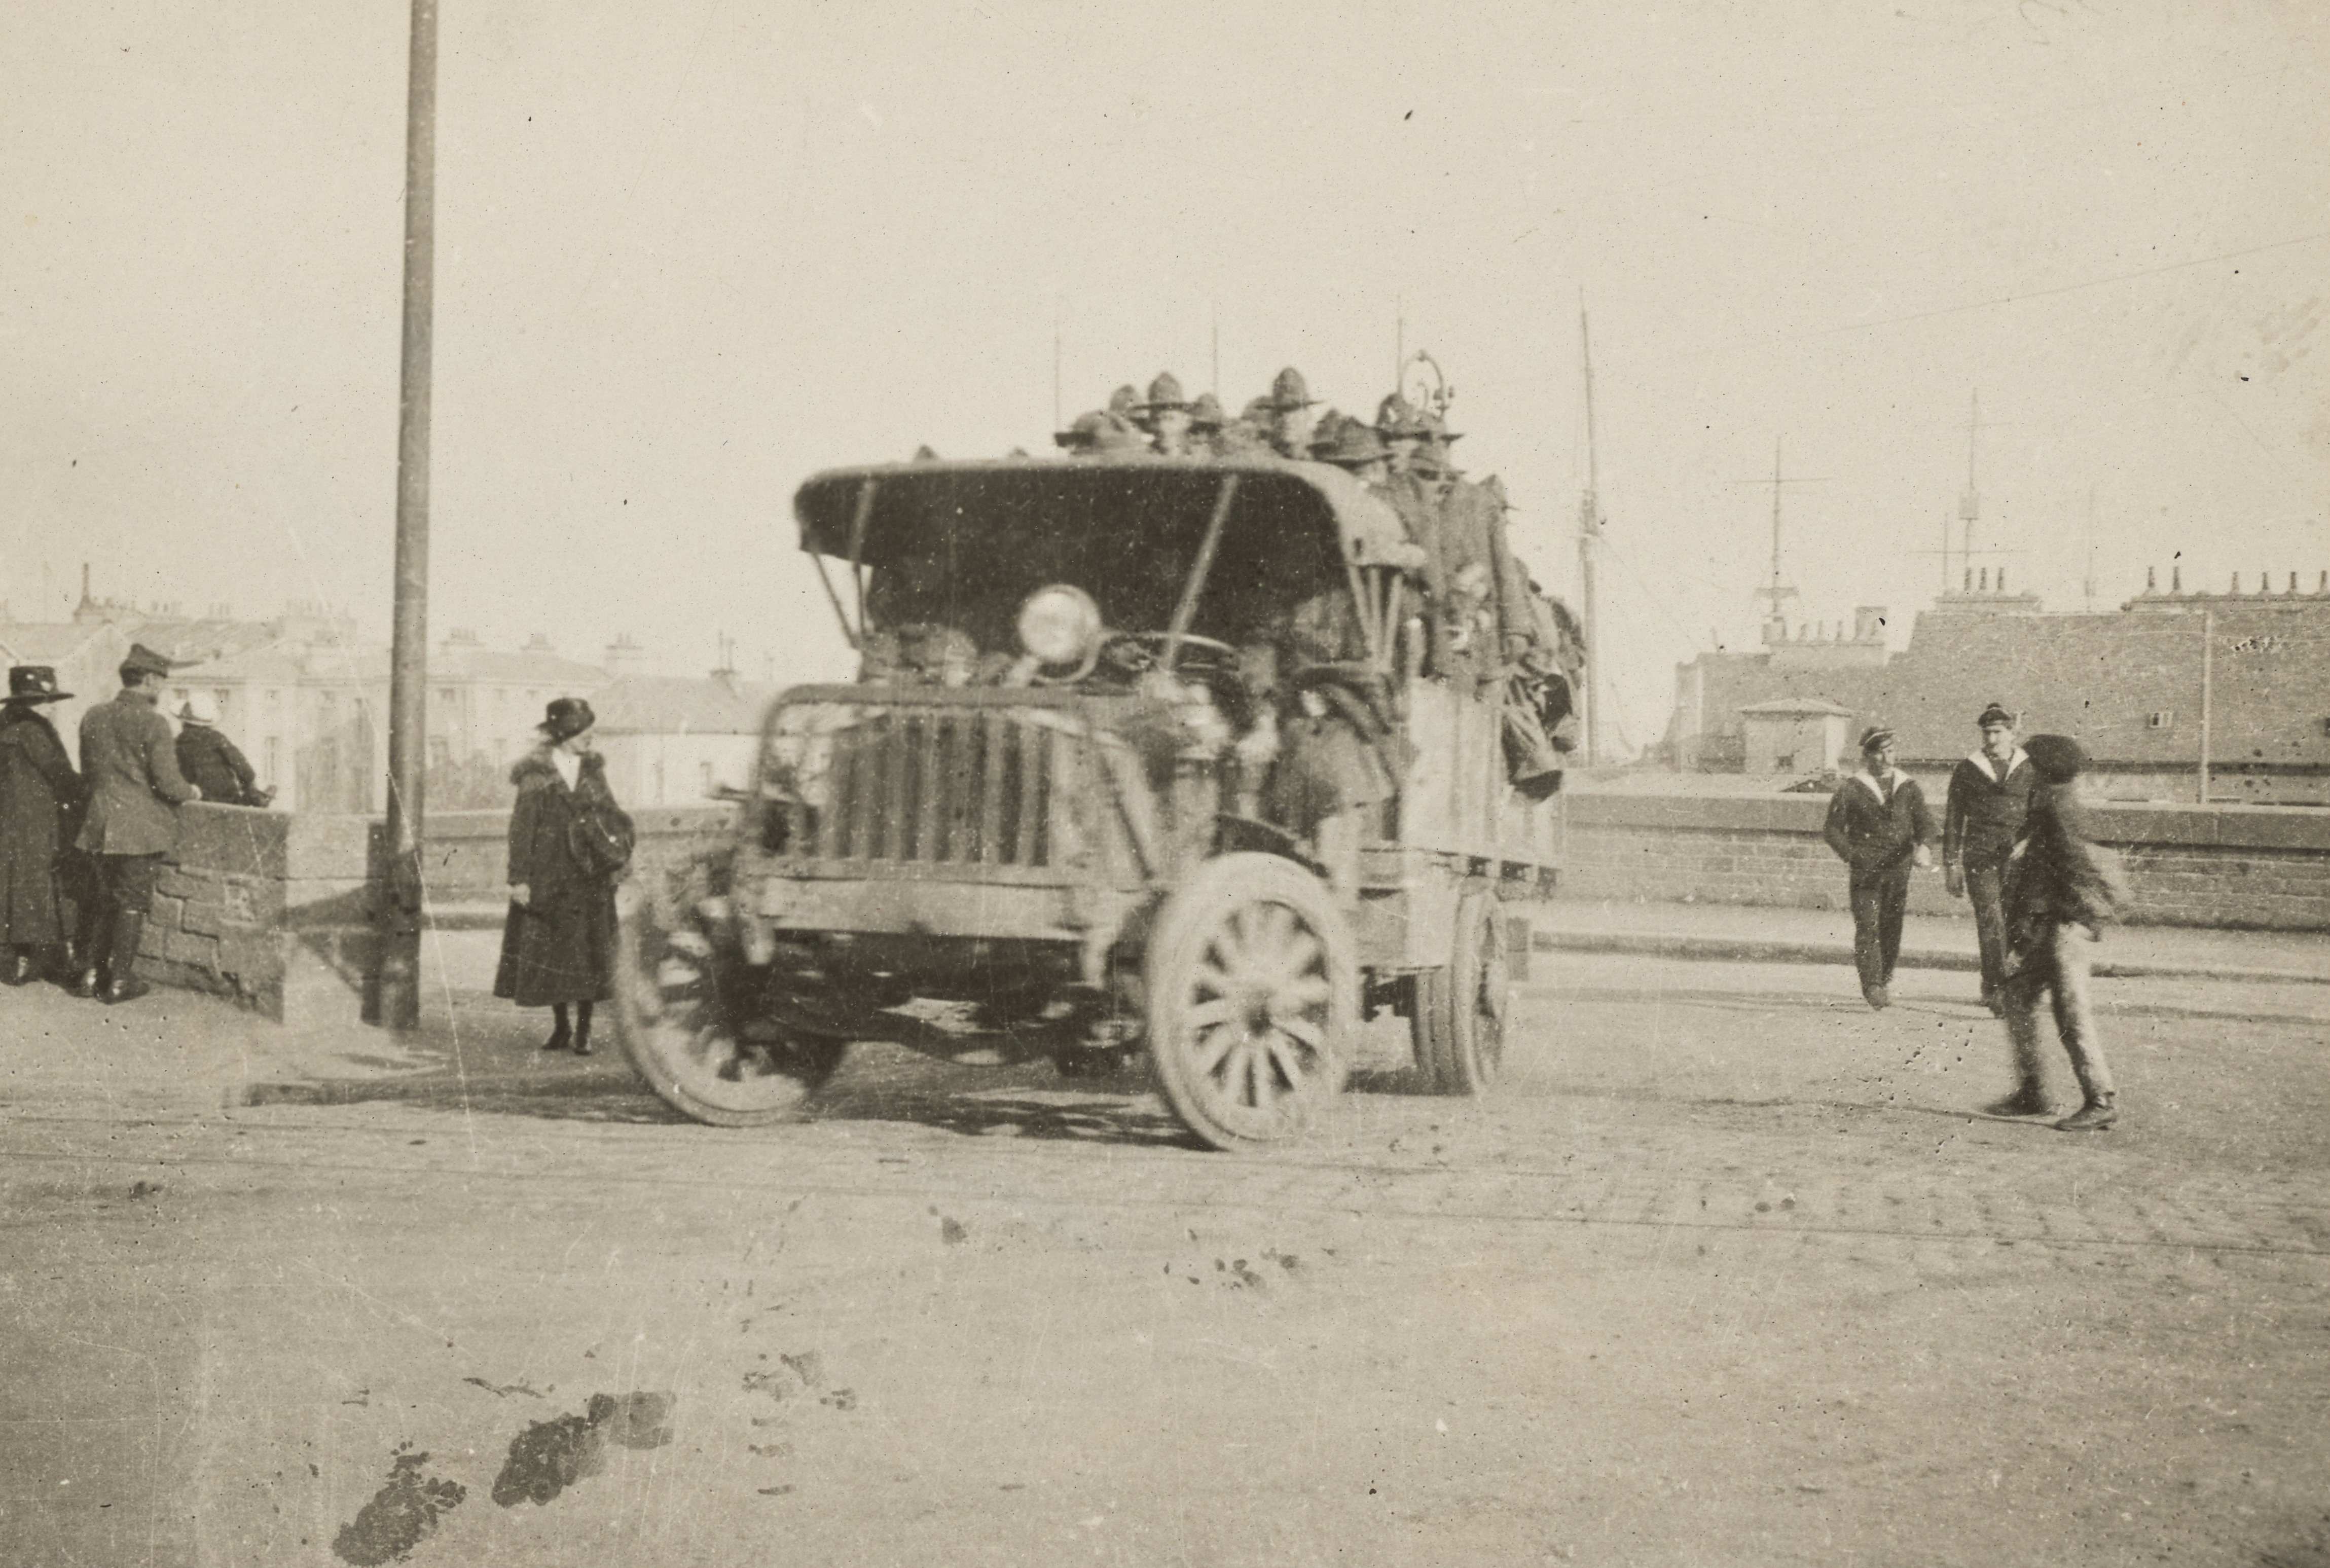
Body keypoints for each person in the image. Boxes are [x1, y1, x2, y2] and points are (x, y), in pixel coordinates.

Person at [1994, 734, 2125, 1130]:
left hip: (2066, 925)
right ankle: (2032, 1091)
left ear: (2042, 769)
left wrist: (2079, 920)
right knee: (2018, 996)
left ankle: (2100, 1099)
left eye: (2028, 764)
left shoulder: (2056, 808)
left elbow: (2075, 869)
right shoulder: (2052, 804)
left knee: (2071, 1011)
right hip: (2051, 924)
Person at [494, 697, 631, 1055]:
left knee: (587, 953)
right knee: (555, 955)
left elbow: (613, 815)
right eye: (584, 729)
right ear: (566, 731)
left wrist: (617, 858)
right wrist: (519, 879)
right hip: (549, 877)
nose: (590, 735)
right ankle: (561, 1027)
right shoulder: (536, 773)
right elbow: (522, 828)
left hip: (589, 876)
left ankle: (584, 1029)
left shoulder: (593, 769)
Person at [74, 643, 202, 1003]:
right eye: (161, 681)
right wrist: (193, 791)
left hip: (98, 824)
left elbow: (88, 772)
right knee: (131, 902)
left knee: (103, 900)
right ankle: (119, 981)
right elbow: (168, 784)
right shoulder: (154, 722)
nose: (162, 689)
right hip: (139, 830)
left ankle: (90, 975)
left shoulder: (94, 715)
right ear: (149, 680)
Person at [1822, 726, 1935, 1009]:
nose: (1886, 759)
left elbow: (1926, 824)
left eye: (1891, 752)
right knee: (1867, 925)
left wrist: (1924, 846)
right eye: (1880, 754)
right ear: (1867, 757)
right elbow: (1832, 830)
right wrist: (1853, 855)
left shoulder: (1908, 787)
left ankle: (1883, 978)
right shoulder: (1851, 789)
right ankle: (1872, 985)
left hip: (1899, 869)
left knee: (1891, 927)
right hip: (1866, 870)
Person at [1943, 702, 2032, 1013]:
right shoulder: (1968, 769)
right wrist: (1951, 864)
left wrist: (2029, 841)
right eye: (1986, 733)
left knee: (2016, 922)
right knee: (1991, 920)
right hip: (1980, 856)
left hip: (2018, 858)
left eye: (1997, 733)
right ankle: (1997, 988)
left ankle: (1995, 980)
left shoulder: (2029, 767)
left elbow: (2040, 811)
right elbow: (1954, 819)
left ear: (2011, 733)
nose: (1991, 740)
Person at [0, 666, 85, 987]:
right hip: (38, 820)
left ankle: (18, 961)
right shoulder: (34, 730)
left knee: (14, 885)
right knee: (46, 884)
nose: (50, 708)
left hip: (10, 818)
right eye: (46, 701)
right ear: (34, 703)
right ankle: (54, 959)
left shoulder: (5, 723)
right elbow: (59, 773)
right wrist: (86, 792)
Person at [174, 691, 273, 807]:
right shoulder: (216, 738)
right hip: (226, 798)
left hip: (196, 800)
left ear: (183, 722)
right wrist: (251, 788)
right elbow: (242, 766)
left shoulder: (177, 743)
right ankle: (256, 799)